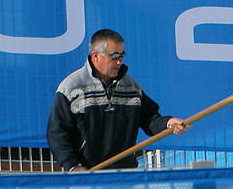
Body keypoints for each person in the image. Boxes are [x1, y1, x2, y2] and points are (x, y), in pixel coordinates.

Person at [47, 29, 187, 171]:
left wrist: (168, 123)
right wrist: (73, 166)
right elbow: (57, 134)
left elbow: (150, 119)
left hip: (125, 174)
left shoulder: (131, 86)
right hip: (85, 176)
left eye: (122, 55)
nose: (120, 61)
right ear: (96, 56)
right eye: (114, 56)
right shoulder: (71, 88)